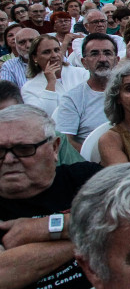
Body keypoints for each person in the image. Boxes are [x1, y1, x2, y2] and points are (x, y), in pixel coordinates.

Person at [0, 105, 102, 289]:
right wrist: (98, 234)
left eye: (24, 149)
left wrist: (45, 228)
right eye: (0, 151)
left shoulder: (86, 179)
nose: (8, 159)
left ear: (55, 148)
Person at [55, 33, 119, 151]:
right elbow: (66, 141)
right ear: (84, 63)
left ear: (117, 60)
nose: (102, 59)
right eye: (94, 54)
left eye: (107, 53)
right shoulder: (72, 99)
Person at [21, 35, 90, 116]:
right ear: (35, 57)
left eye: (57, 50)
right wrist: (50, 84)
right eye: (46, 52)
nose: (54, 55)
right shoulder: (29, 88)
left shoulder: (83, 74)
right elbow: (43, 116)